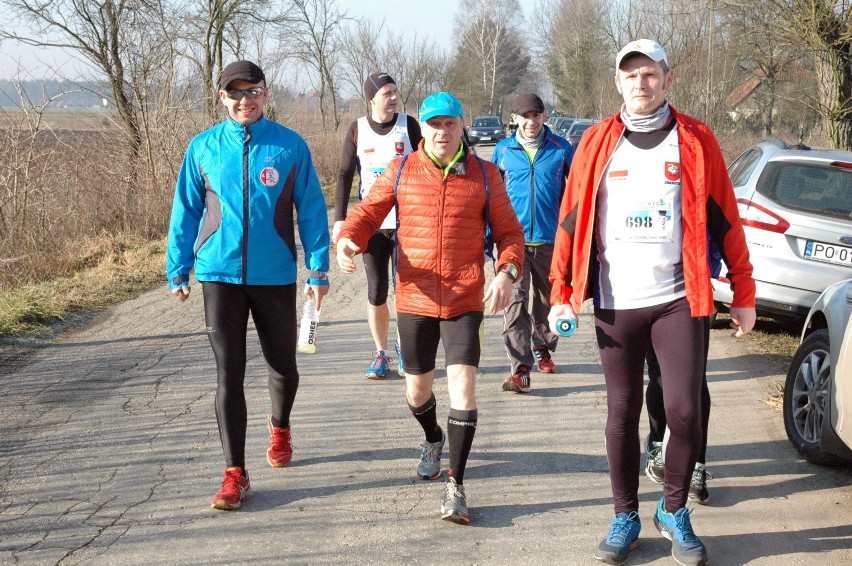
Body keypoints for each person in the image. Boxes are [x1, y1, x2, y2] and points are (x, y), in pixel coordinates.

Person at [547, 40, 756, 565]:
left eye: (650, 74)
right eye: (631, 75)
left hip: (678, 299)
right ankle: (624, 515)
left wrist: (744, 291)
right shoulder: (595, 143)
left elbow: (726, 217)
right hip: (618, 302)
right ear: (618, 83)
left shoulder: (696, 139)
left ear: (668, 77)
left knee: (684, 411)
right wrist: (561, 294)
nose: (641, 83)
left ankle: (674, 509)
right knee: (622, 410)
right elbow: (569, 225)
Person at [336, 91, 524, 524]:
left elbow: (510, 233)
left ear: (462, 126)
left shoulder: (485, 174)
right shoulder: (402, 171)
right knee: (417, 390)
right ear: (424, 129)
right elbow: (368, 212)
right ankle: (433, 436)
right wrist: (349, 238)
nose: (442, 132)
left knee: (463, 387)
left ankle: (456, 486)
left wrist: (506, 273)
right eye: (434, 124)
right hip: (416, 298)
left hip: (464, 297)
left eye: (450, 124)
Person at [166, 60, 330, 511]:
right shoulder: (203, 148)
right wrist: (177, 268)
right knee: (228, 373)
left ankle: (280, 426)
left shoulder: (290, 146)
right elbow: (185, 211)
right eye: (234, 93)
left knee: (283, 367)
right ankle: (234, 473)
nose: (244, 100)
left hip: (275, 274)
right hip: (218, 274)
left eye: (252, 91)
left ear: (265, 92)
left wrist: (318, 271)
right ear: (221, 98)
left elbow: (313, 211)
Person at [333, 72, 423, 379]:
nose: (394, 97)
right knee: (377, 291)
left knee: (406, 290)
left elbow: (427, 164)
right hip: (373, 223)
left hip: (408, 223)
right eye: (387, 93)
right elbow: (345, 175)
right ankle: (380, 352)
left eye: (396, 92)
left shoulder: (408, 126)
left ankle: (404, 348)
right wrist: (340, 219)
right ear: (372, 98)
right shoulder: (357, 129)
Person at [491, 93, 574, 393]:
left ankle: (543, 345)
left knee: (546, 304)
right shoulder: (502, 151)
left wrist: (572, 231)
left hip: (552, 242)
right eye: (524, 116)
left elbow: (578, 192)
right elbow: (491, 197)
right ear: (515, 118)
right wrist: (490, 235)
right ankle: (520, 369)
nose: (530, 121)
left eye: (536, 115)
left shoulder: (561, 149)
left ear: (544, 116)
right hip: (512, 243)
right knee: (514, 305)